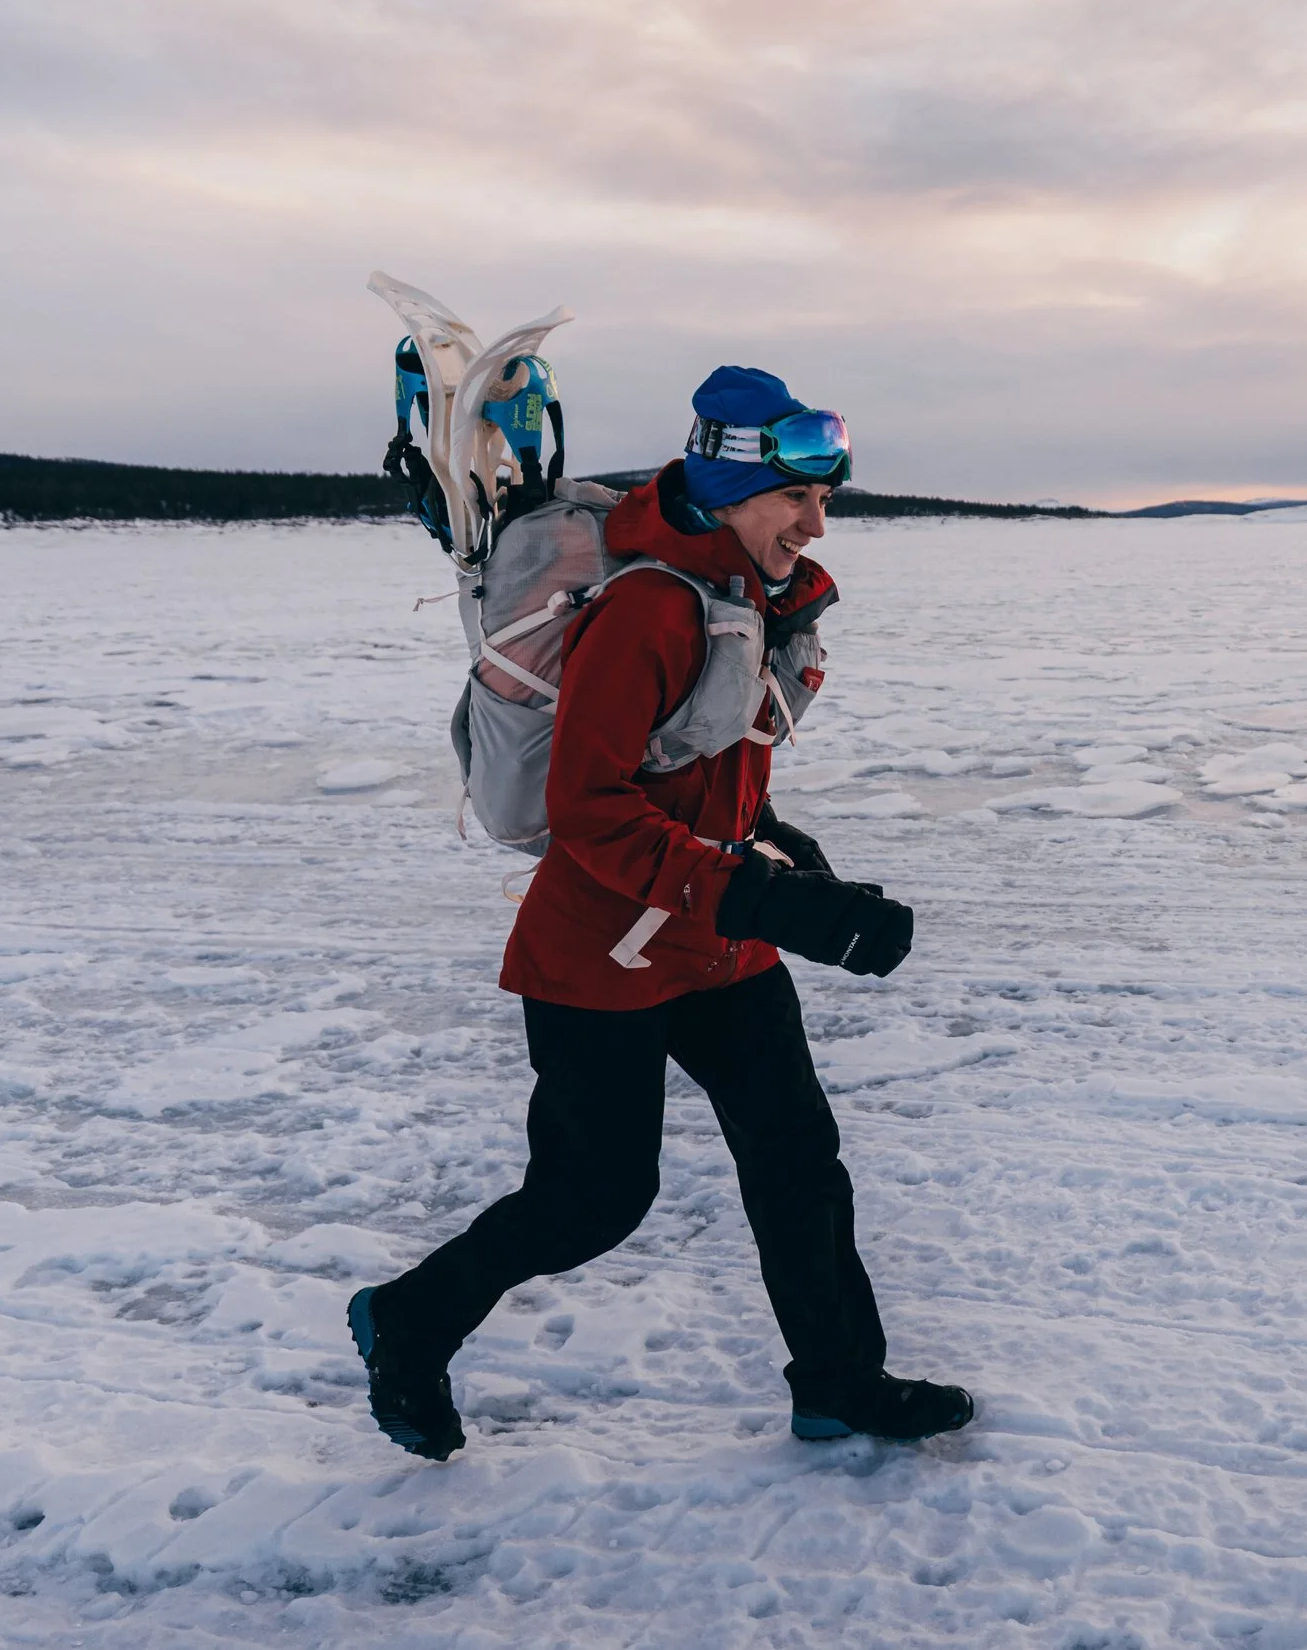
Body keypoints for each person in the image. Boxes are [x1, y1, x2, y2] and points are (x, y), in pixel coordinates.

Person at [346, 366, 973, 1460]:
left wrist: (798, 872)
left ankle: (840, 1382)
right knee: (591, 1200)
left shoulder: (743, 597)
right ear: (732, 487)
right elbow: (585, 808)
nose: (817, 525)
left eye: (825, 501)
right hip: (598, 955)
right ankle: (407, 1318)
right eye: (797, 499)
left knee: (798, 1163)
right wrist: (759, 893)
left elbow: (712, 771)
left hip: (717, 944)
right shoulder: (647, 607)